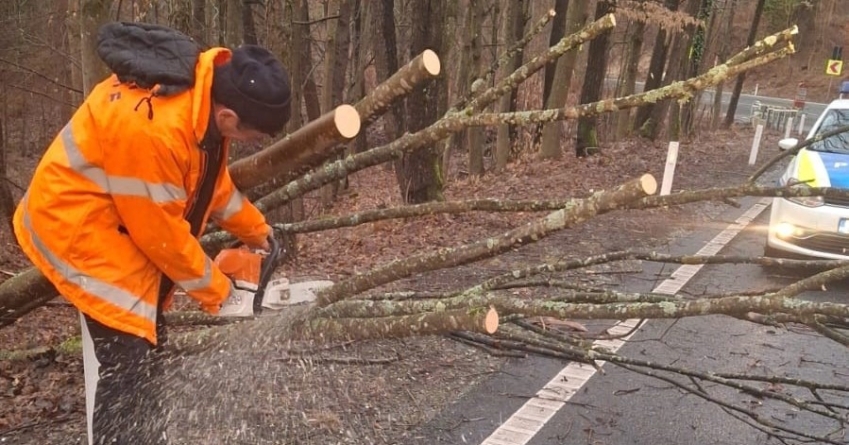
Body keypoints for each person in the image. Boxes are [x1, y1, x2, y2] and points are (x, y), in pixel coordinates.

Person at [12, 21, 292, 444]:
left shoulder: (203, 110)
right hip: (76, 223)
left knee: (148, 347)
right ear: (229, 117)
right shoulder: (157, 129)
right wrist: (222, 294)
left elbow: (212, 187)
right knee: (128, 357)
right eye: (253, 136)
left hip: (120, 218)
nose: (252, 143)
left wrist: (258, 232)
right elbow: (162, 237)